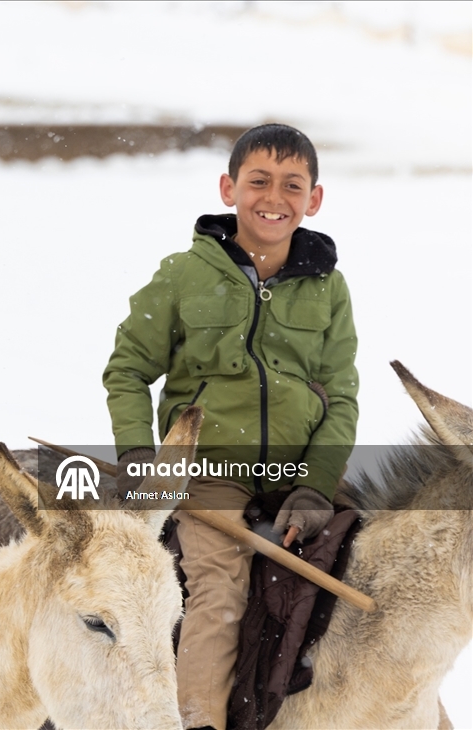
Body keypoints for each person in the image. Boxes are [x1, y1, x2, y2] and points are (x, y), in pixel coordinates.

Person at [103, 124, 358, 730]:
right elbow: (128, 370)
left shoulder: (329, 288)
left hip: (296, 469)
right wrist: (139, 453)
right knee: (219, 592)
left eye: (292, 185)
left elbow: (342, 396)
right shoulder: (183, 274)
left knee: (375, 558)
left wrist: (315, 486)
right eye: (259, 181)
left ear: (314, 199)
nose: (275, 197)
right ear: (229, 188)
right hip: (208, 470)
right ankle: (197, 721)